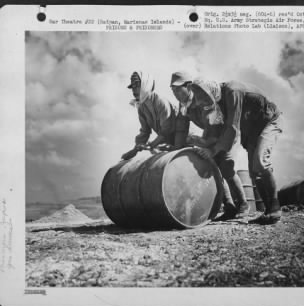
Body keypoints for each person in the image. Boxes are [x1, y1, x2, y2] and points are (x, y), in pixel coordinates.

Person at [189, 80, 283, 225]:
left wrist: (213, 150)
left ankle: (275, 209)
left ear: (210, 91)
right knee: (253, 172)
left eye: (205, 98)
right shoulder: (218, 103)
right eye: (201, 100)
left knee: (260, 161)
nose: (203, 102)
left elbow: (232, 127)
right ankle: (268, 212)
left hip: (268, 121)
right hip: (251, 131)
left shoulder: (233, 92)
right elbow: (220, 128)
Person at [170, 72, 250, 220]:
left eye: (177, 89)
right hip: (210, 134)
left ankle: (243, 204)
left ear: (188, 87)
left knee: (225, 164)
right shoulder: (184, 106)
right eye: (172, 90)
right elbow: (181, 129)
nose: (175, 93)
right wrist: (176, 151)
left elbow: (216, 125)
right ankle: (229, 206)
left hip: (225, 132)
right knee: (211, 166)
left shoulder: (203, 97)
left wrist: (208, 146)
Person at [121, 71, 176, 160]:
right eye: (132, 87)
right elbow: (145, 131)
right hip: (168, 142)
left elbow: (166, 130)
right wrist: (135, 150)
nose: (134, 90)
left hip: (183, 139)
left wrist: (151, 145)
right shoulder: (142, 108)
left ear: (146, 84)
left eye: (137, 85)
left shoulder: (161, 102)